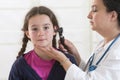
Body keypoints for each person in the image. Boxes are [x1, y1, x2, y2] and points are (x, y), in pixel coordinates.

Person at [38, 0, 120, 80]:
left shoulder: (117, 52)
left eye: (94, 10)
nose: (88, 15)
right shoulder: (103, 44)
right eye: (35, 29)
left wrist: (63, 60)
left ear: (113, 15)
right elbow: (90, 73)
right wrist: (76, 57)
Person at [8, 6, 77, 80]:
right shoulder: (19, 66)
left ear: (55, 30)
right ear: (28, 34)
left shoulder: (69, 61)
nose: (40, 33)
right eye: (35, 29)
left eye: (46, 28)